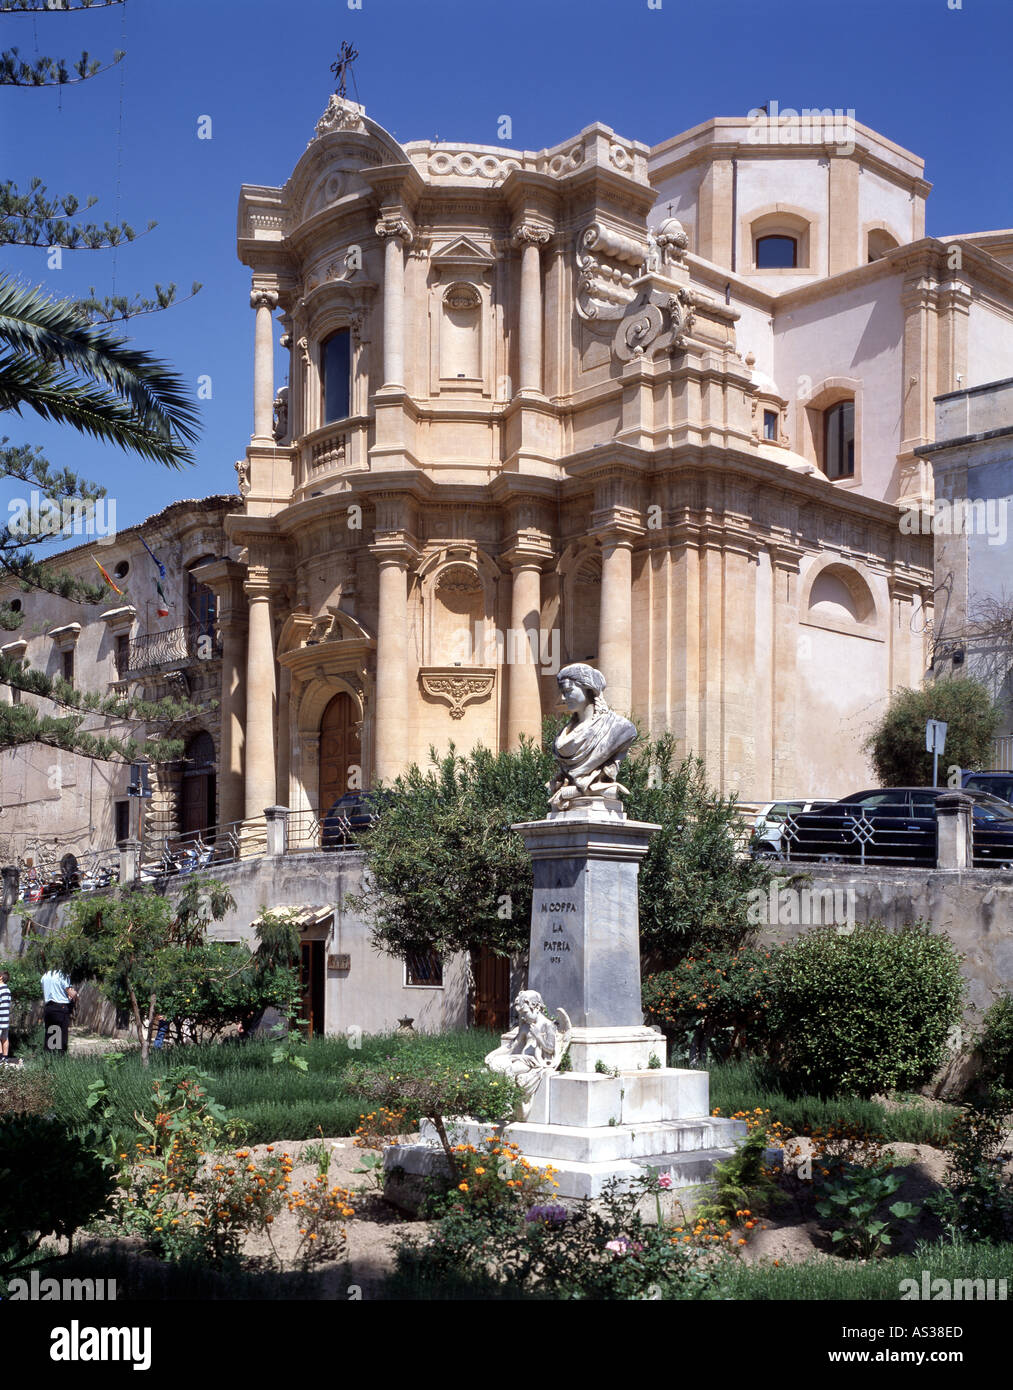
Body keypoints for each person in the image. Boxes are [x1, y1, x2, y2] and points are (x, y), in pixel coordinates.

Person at [547, 662, 637, 809]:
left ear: (587, 688)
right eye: (562, 692)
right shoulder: (561, 738)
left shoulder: (620, 728)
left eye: (568, 690)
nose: (563, 698)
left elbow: (626, 733)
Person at [41, 966, 77, 1055]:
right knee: (61, 1035)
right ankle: (59, 1058)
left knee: (51, 1033)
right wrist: (76, 994)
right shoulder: (63, 974)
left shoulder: (45, 975)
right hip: (61, 1007)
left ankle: (49, 1057)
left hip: (49, 1007)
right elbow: (71, 993)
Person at [0, 969, 11, 1063]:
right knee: (5, 1038)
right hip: (6, 1018)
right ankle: (5, 1057)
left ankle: (0, 1057)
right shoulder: (7, 990)